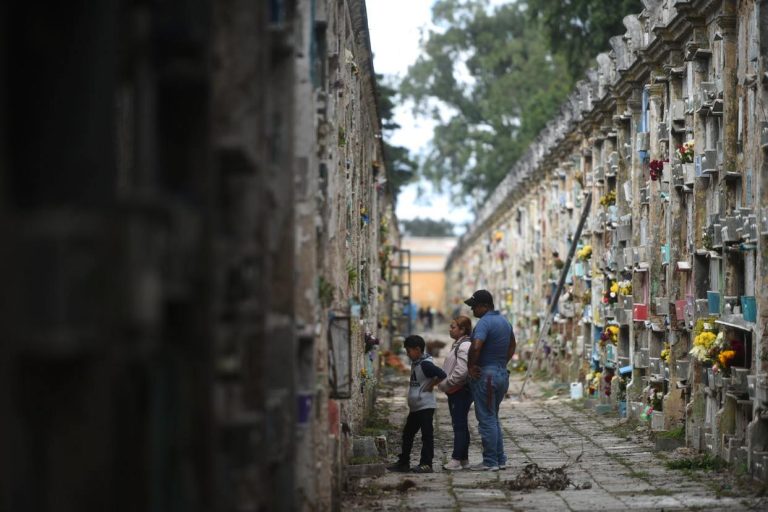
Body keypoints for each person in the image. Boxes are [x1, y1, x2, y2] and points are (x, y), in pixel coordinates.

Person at [464, 289, 516, 471]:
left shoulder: (485, 323)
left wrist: (471, 366)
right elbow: (512, 344)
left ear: (484, 306)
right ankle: (500, 459)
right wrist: (501, 363)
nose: (472, 311)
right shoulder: (504, 321)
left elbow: (476, 346)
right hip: (501, 373)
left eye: (474, 307)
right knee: (493, 417)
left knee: (486, 419)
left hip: (486, 376)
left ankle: (490, 461)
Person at [387, 335, 447, 474]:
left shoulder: (425, 364)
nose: (407, 354)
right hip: (415, 407)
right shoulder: (417, 362)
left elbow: (442, 374)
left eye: (409, 351)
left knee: (427, 435)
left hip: (425, 406)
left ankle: (426, 464)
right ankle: (403, 463)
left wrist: (431, 385)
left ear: (417, 349)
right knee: (407, 434)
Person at [437, 316, 473, 470]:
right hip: (457, 390)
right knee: (461, 424)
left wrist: (446, 383)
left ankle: (456, 459)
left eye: (453, 327)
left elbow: (461, 371)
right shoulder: (459, 344)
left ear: (463, 329)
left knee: (459, 425)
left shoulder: (464, 346)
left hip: (459, 390)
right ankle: (464, 459)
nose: (450, 329)